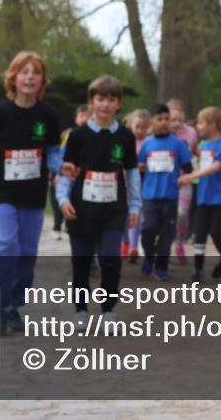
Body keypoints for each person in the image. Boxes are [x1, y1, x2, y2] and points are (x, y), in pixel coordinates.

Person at [0, 51, 62, 334]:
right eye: (24, 72)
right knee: (8, 245)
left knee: (28, 252)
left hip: (34, 195)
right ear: (13, 78)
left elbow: (52, 153)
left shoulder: (48, 115)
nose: (30, 77)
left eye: (36, 72)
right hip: (3, 192)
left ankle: (13, 305)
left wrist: (61, 166)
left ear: (42, 80)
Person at [57, 75, 140, 324]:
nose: (105, 104)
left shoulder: (125, 136)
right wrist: (62, 199)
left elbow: (132, 173)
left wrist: (135, 205)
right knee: (81, 261)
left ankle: (108, 310)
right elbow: (67, 171)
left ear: (119, 104)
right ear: (91, 101)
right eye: (101, 99)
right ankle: (81, 310)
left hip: (113, 209)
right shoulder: (78, 135)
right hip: (81, 209)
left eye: (112, 99)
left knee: (110, 259)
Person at [179, 106, 221, 283]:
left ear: (212, 124)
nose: (198, 126)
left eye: (201, 123)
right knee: (200, 233)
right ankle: (197, 270)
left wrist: (192, 176)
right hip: (203, 194)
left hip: (219, 196)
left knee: (216, 232)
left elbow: (216, 166)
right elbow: (198, 162)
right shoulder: (203, 145)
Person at [137, 103, 193, 281]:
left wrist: (185, 176)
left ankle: (161, 267)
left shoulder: (177, 143)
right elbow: (139, 167)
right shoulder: (147, 143)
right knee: (148, 229)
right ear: (152, 122)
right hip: (150, 196)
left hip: (170, 196)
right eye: (159, 119)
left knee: (167, 234)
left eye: (167, 119)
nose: (164, 122)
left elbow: (188, 166)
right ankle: (148, 257)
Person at [49, 105, 90, 241]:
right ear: (76, 119)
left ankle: (69, 225)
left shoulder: (94, 136)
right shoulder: (69, 135)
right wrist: (58, 172)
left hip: (83, 176)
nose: (84, 119)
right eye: (81, 116)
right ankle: (57, 227)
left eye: (87, 116)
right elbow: (59, 154)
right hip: (65, 172)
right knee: (59, 199)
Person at [168, 99, 198, 265]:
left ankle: (179, 242)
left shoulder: (191, 132)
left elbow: (195, 150)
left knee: (182, 214)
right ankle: (164, 247)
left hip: (185, 179)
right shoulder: (162, 133)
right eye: (173, 120)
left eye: (180, 119)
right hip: (166, 180)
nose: (177, 123)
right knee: (166, 215)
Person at [121, 108, 151, 263]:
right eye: (137, 127)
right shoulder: (125, 141)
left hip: (145, 182)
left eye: (144, 127)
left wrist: (147, 166)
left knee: (136, 214)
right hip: (127, 182)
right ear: (130, 125)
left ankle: (133, 246)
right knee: (124, 215)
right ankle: (125, 242)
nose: (140, 130)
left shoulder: (150, 142)